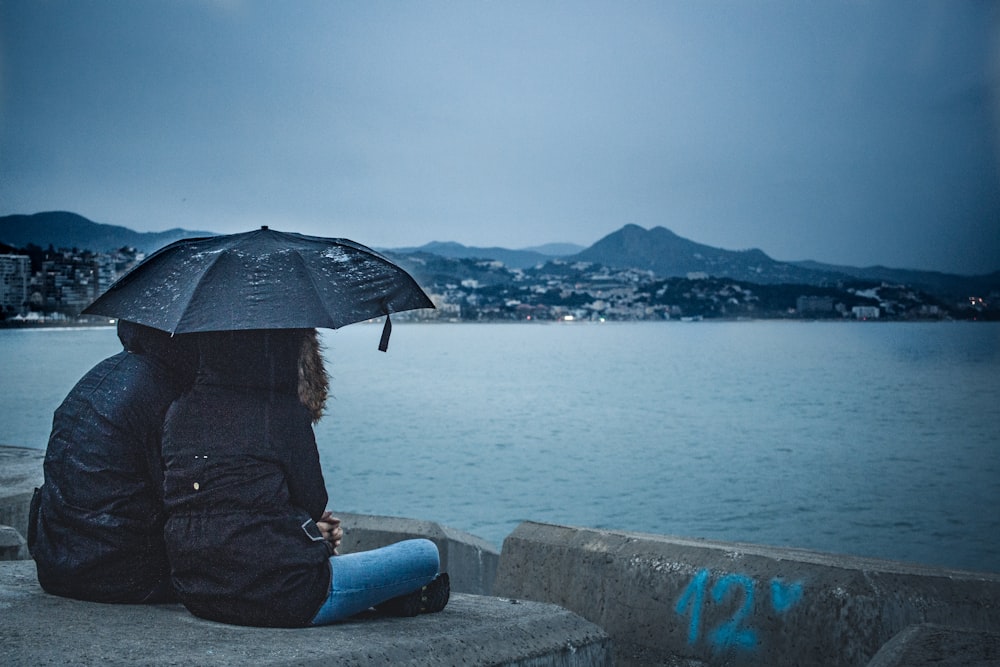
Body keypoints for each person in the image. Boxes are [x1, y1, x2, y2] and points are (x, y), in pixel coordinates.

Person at [161, 328, 448, 627]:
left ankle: (385, 597)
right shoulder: (281, 413)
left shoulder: (180, 412)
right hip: (287, 598)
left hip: (199, 594)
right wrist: (313, 529)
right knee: (424, 555)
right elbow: (313, 503)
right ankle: (393, 596)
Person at [28, 320, 198, 603]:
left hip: (56, 561)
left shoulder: (101, 375)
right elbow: (181, 495)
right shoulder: (163, 392)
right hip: (121, 575)